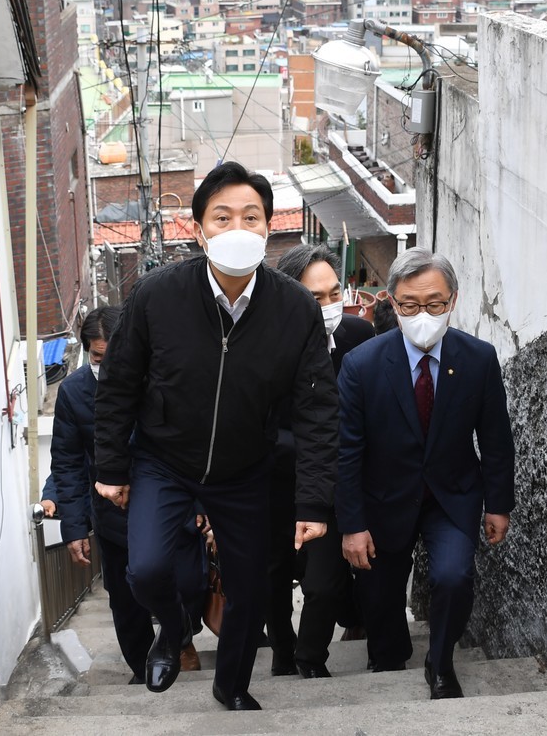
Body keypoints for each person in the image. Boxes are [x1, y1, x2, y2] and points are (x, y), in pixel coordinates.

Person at [93, 161, 339, 711]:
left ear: (268, 227)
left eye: (251, 217)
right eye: (222, 217)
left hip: (245, 468)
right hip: (164, 458)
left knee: (251, 589)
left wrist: (313, 501)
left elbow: (318, 409)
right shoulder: (157, 295)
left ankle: (232, 684)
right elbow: (119, 383)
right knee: (146, 569)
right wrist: (110, 466)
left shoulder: (294, 308)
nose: (237, 228)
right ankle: (173, 626)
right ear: (200, 229)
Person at [336, 248, 516, 700]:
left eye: (434, 304)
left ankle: (440, 661)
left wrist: (499, 504)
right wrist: (353, 525)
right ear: (391, 302)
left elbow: (495, 438)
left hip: (451, 496)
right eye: (410, 304)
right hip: (383, 499)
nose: (423, 315)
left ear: (453, 300)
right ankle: (388, 655)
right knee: (379, 592)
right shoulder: (362, 365)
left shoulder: (478, 358)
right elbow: (347, 452)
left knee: (454, 577)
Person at [48, 307, 205, 682]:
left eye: (114, 356)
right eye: (98, 357)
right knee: (125, 599)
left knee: (187, 583)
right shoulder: (73, 393)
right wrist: (74, 528)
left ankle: (178, 637)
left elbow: (194, 443)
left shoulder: (161, 379)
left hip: (171, 504)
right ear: (88, 352)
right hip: (112, 513)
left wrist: (201, 502)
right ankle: (142, 666)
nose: (107, 366)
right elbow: (67, 463)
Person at [266, 244, 374, 679]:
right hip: (275, 485)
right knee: (273, 575)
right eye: (315, 297)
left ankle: (311, 660)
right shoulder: (264, 347)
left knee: (324, 581)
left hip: (336, 483)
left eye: (334, 294)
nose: (329, 306)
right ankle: (282, 652)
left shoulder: (358, 337)